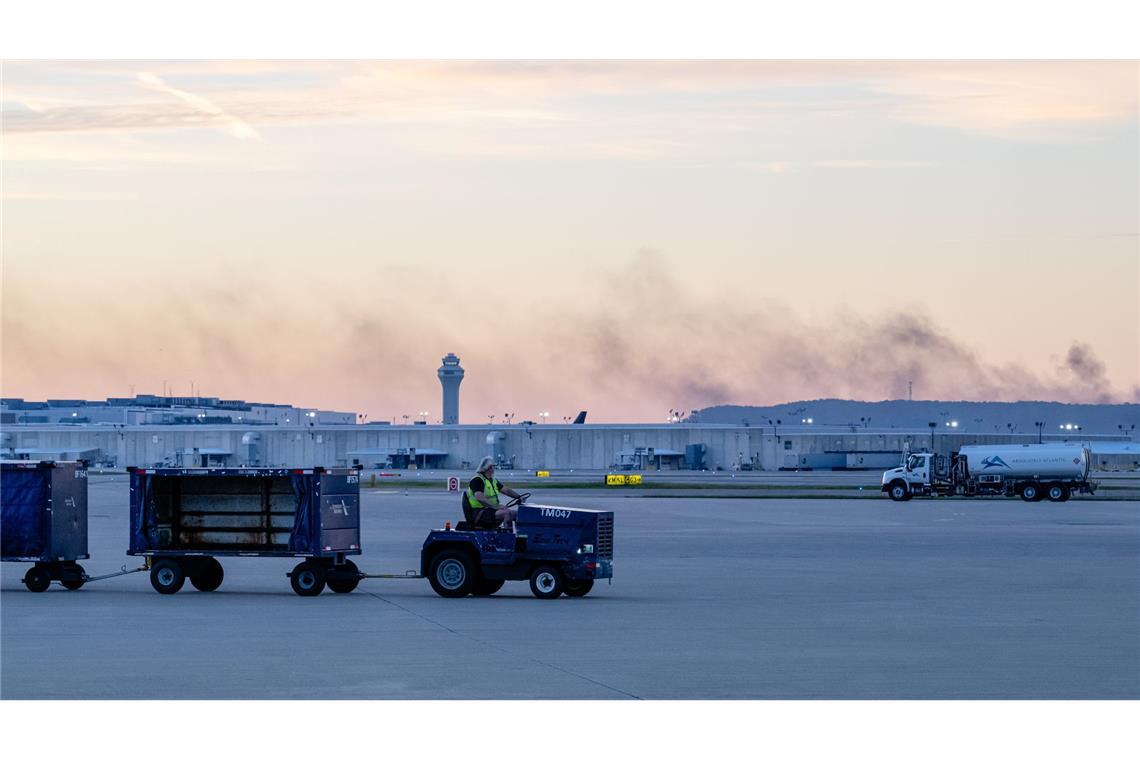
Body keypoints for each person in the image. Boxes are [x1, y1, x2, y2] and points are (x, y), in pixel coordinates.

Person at [465, 456, 525, 528]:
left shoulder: (492, 480)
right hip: (480, 513)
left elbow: (506, 490)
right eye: (493, 466)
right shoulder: (477, 480)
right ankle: (507, 535)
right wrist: (497, 507)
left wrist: (519, 497)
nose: (494, 468)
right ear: (489, 467)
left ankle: (520, 536)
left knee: (517, 514)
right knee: (507, 513)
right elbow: (479, 497)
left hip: (490, 510)